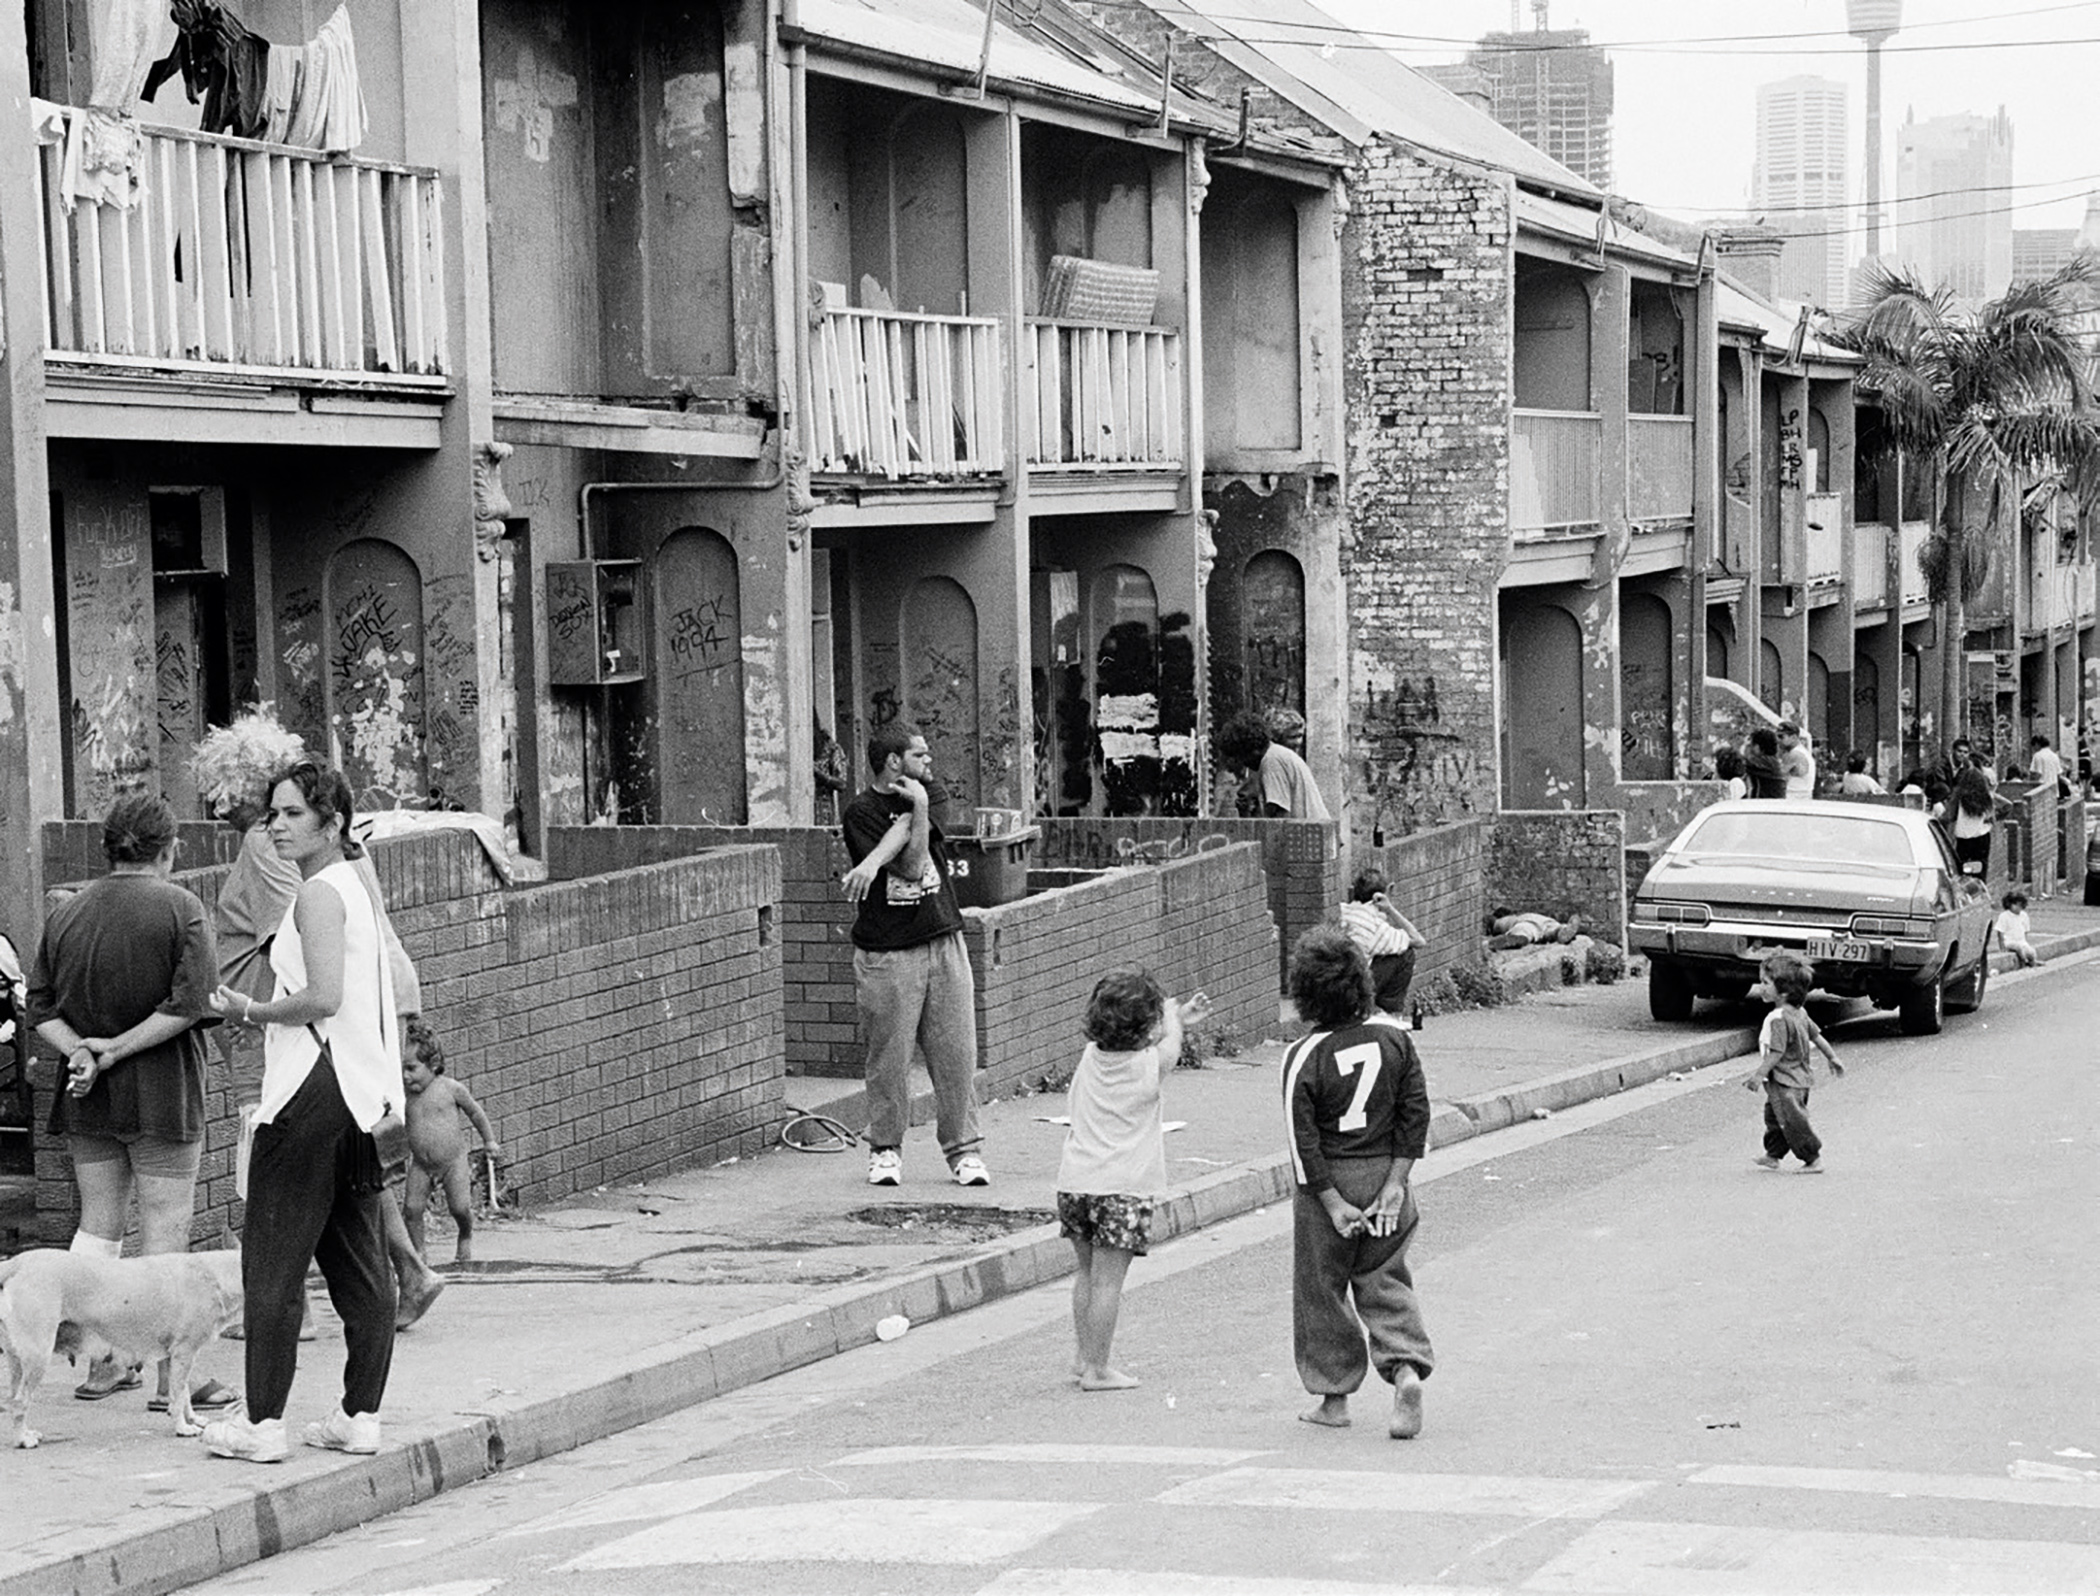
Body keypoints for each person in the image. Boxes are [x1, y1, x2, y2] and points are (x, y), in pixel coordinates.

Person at [189, 709, 444, 1334]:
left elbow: (301, 935)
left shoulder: (270, 849)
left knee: (273, 1149)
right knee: (356, 1149)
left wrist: (252, 1009)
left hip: (298, 1027)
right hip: (372, 1005)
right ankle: (405, 1273)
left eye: (215, 790)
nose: (215, 806)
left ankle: (288, 1303)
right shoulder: (346, 848)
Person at [202, 761, 405, 1464]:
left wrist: (251, 1009)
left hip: (310, 1090)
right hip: (359, 1091)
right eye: (274, 814)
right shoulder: (355, 885)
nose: (278, 826)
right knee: (360, 1264)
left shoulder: (318, 894)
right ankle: (360, 1415)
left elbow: (321, 997)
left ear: (334, 822)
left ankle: (261, 1426)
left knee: (272, 1266)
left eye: (293, 814)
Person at [26, 794, 237, 1415]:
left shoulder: (67, 913)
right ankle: (173, 1382)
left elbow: (40, 1008)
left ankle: (100, 1364)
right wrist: (115, 1049)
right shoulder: (181, 907)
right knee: (165, 1234)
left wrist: (84, 1054)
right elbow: (192, 1003)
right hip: (164, 1092)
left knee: (97, 1231)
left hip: (86, 1095)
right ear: (169, 850)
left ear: (109, 847)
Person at [1283, 927, 1433, 1439]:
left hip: (1330, 1183)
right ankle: (1406, 1369)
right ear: (1363, 983)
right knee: (1385, 1278)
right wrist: (1396, 1182)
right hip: (1386, 1177)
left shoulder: (1304, 1055)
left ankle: (1333, 1398)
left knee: (1321, 1289)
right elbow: (1415, 1114)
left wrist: (1329, 1201)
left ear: (1304, 993)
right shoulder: (1395, 1039)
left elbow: (1301, 1140)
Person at [839, 726, 988, 1189]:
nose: (930, 760)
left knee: (956, 1052)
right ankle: (885, 1151)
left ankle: (964, 1151)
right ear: (893, 762)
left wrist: (916, 809)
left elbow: (915, 847)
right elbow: (906, 863)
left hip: (942, 938)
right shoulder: (860, 812)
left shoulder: (931, 792)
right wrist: (893, 839)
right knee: (890, 1057)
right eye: (919, 754)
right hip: (887, 952)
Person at [1056, 971, 1211, 1392]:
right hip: (1121, 1188)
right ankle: (1098, 1369)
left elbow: (1159, 1033)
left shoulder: (1091, 1055)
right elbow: (1171, 1044)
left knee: (1086, 1274)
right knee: (1109, 1282)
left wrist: (1173, 1014)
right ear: (1146, 1030)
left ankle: (1082, 1354)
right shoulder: (1148, 1066)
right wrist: (1175, 1019)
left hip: (1074, 1182)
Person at [400, 1015, 499, 1265]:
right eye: (402, 1068)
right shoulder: (404, 1095)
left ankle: (465, 1234)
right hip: (421, 1164)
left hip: (453, 1162)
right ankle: (419, 1253)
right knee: (411, 1210)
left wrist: (489, 1141)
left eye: (411, 1068)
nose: (405, 1076)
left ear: (432, 1065)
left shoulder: (450, 1088)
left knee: (459, 1208)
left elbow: (475, 1112)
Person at [1744, 951, 1842, 1172]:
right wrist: (1832, 1057)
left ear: (1784, 991)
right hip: (1800, 1080)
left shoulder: (1779, 1019)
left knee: (1791, 1122)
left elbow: (1776, 1053)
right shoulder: (1800, 1013)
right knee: (1774, 1116)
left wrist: (1759, 1075)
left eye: (1766, 983)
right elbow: (1816, 1036)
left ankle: (1812, 1158)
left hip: (1785, 1081)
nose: (1761, 987)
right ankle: (1773, 1154)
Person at [1338, 868, 1428, 1017]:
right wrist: (1390, 909)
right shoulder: (1376, 928)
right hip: (1354, 987)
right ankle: (1390, 1013)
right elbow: (1418, 940)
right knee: (1406, 954)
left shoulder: (1341, 911)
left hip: (1333, 982)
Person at [1217, 711, 1330, 821]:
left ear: (1253, 751)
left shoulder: (1271, 761)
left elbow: (1279, 819)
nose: (1245, 764)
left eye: (1242, 758)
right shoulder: (1278, 754)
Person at [1949, 755, 1997, 877]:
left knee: (1962, 869)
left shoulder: (1959, 796)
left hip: (1963, 838)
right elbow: (1997, 812)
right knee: (1979, 869)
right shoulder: (1986, 797)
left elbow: (1948, 816)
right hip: (1981, 837)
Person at [1486, 907, 1581, 950]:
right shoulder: (1506, 919)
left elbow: (1489, 921)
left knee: (1523, 936)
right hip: (1540, 920)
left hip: (1528, 924)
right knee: (1551, 927)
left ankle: (1560, 932)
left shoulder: (1500, 921)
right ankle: (1561, 930)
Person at [1994, 890, 2040, 967]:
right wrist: (2002, 947)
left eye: (2019, 905)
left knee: (2032, 952)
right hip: (2009, 942)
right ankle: (2023, 963)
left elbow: (2025, 931)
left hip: (2021, 942)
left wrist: (2025, 942)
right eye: (2015, 905)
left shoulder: (2024, 916)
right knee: (2019, 949)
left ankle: (2033, 962)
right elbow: (2000, 932)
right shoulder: (2004, 916)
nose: (2017, 907)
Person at [1743, 727, 1788, 799]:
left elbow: (1743, 762)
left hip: (1765, 805)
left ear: (1757, 747)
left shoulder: (1764, 763)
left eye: (1752, 745)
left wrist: (1745, 746)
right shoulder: (1773, 762)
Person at [1780, 722, 1816, 799]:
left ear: (1793, 737)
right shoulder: (1803, 752)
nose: (1778, 740)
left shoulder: (1794, 754)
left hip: (1794, 796)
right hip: (1802, 795)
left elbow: (1779, 776)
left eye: (1781, 737)